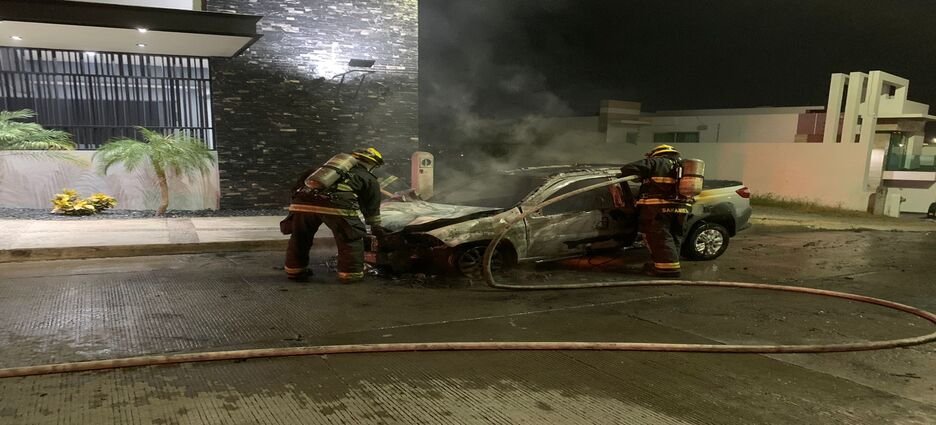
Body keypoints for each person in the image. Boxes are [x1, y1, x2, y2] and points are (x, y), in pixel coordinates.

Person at [283, 147, 386, 283]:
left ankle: (294, 271)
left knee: (300, 237)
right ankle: (350, 275)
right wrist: (375, 226)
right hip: (336, 207)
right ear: (372, 164)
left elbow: (296, 188)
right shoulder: (367, 177)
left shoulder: (319, 171)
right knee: (350, 239)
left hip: (301, 205)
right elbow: (371, 206)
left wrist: (296, 208)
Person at [619, 144, 691, 278]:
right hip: (681, 208)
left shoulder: (656, 162)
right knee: (674, 236)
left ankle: (667, 270)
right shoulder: (684, 166)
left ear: (657, 153)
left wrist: (642, 174)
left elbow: (627, 168)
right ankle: (670, 264)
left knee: (659, 237)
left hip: (657, 207)